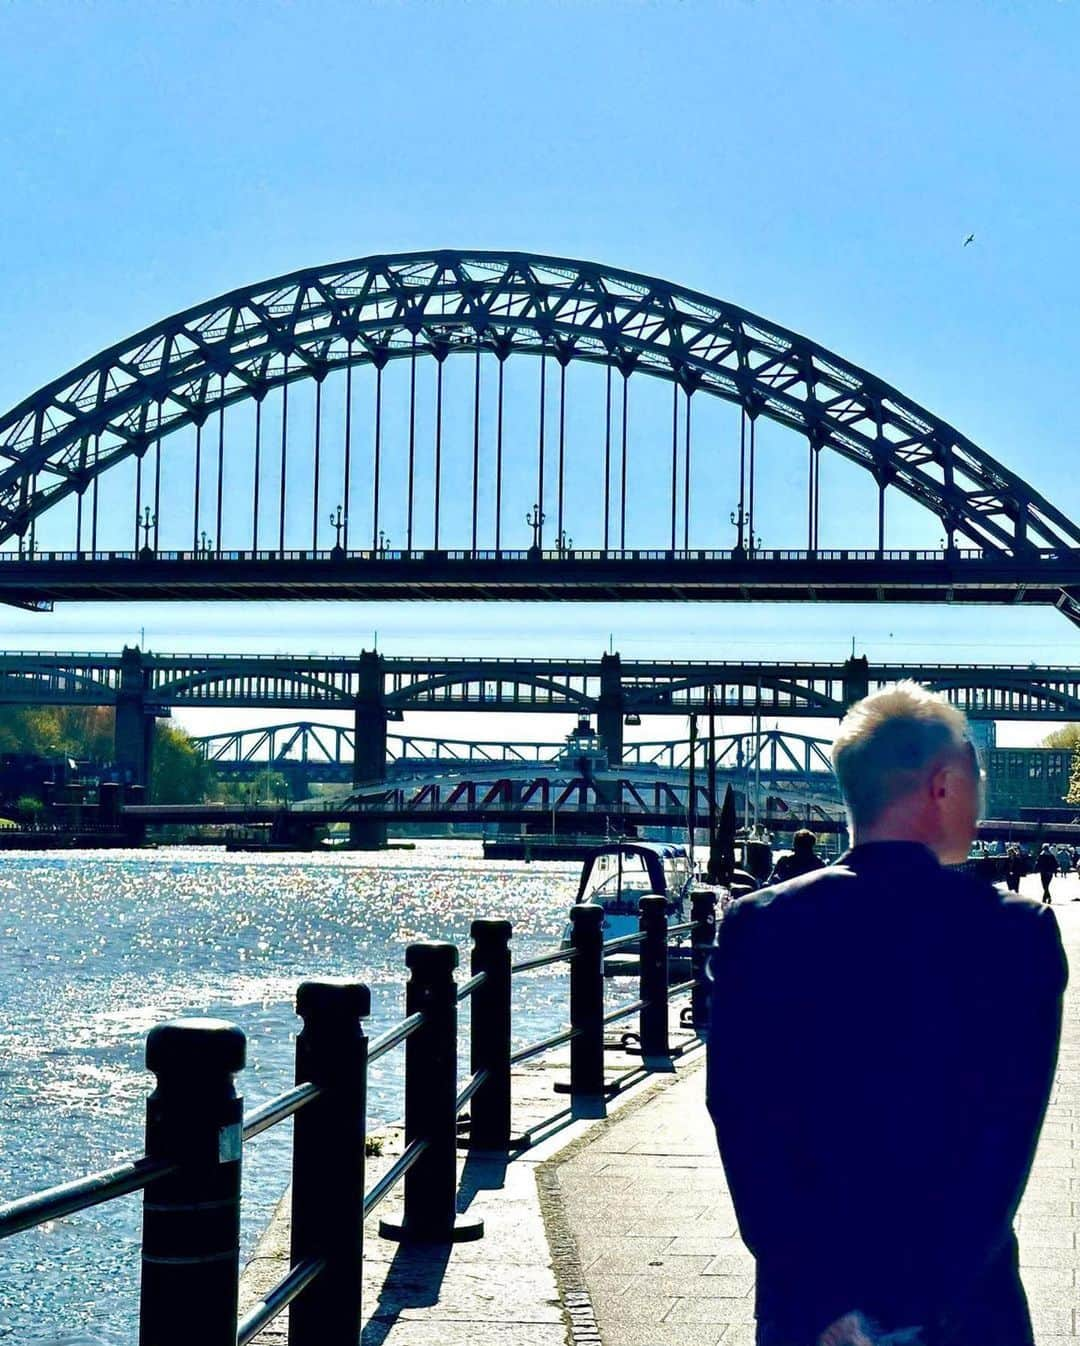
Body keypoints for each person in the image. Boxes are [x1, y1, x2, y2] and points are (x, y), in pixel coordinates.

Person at [707, 681, 1066, 1346]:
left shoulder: (760, 927)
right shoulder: (1016, 933)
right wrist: (921, 1309)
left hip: (808, 1313)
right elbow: (1003, 1149)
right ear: (942, 786)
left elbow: (745, 1127)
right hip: (967, 1310)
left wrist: (826, 1303)